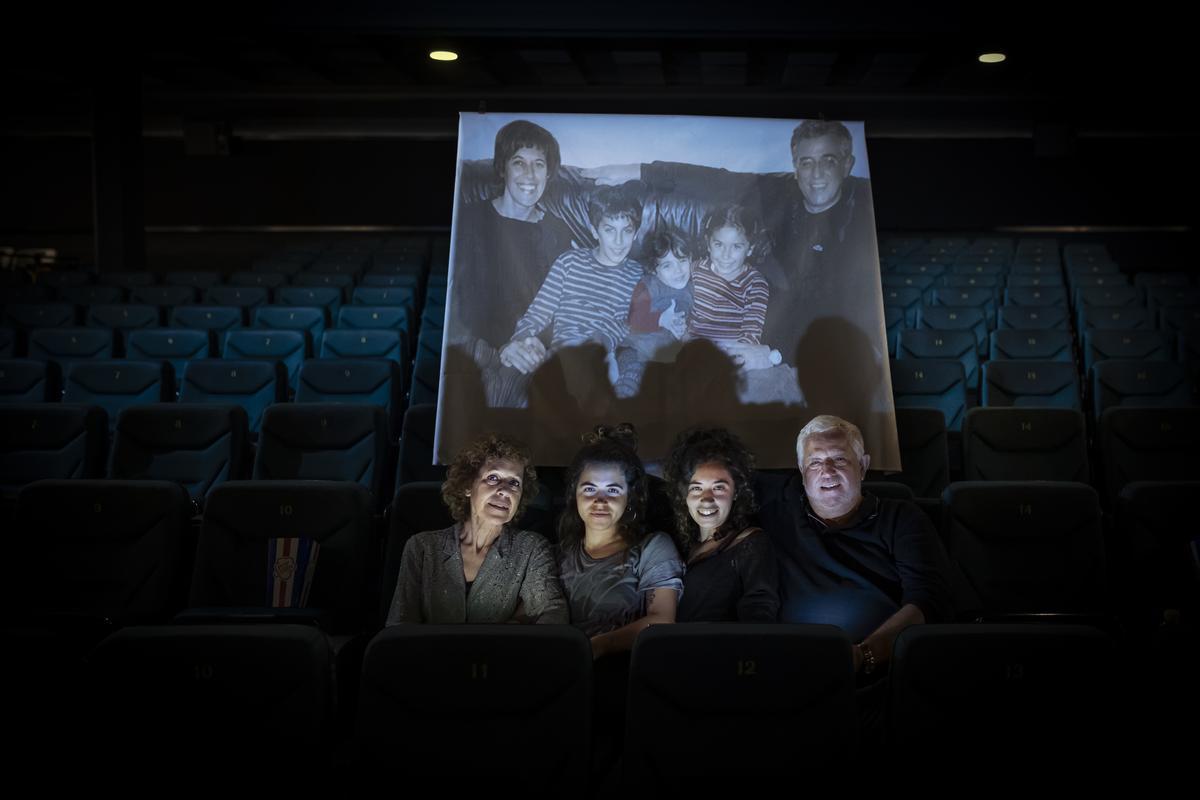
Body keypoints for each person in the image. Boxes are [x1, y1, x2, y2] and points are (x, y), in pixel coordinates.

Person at [758, 414, 952, 674]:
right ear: (802, 471)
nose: (827, 471)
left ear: (862, 466)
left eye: (839, 459)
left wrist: (864, 655)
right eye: (815, 462)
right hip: (789, 667)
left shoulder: (902, 518)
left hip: (885, 668)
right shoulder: (776, 518)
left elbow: (928, 601)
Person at [386, 433, 567, 624]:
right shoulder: (421, 547)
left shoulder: (532, 548)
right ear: (467, 486)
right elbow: (400, 624)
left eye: (514, 483)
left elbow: (554, 611)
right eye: (493, 478)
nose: (505, 491)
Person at [448, 120, 575, 381]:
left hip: (535, 352)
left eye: (539, 164)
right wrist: (500, 350)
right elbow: (459, 305)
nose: (530, 175)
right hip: (482, 351)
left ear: (548, 173)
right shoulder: (469, 221)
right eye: (519, 162)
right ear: (502, 169)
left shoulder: (559, 232)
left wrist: (538, 344)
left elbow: (564, 304)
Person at [498, 184, 646, 389]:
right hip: (560, 353)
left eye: (627, 231)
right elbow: (538, 313)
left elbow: (635, 328)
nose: (619, 241)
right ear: (595, 231)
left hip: (601, 355)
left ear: (636, 233)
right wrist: (520, 341)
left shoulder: (639, 276)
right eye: (609, 230)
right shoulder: (569, 262)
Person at [556, 423, 684, 655]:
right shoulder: (558, 554)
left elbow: (662, 619)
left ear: (630, 497)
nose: (600, 501)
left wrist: (597, 646)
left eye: (613, 490)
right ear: (574, 494)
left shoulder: (652, 548)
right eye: (589, 489)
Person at [663, 427, 779, 622]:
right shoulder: (680, 546)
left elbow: (760, 618)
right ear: (685, 495)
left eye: (718, 488)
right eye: (696, 488)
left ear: (736, 492)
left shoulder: (751, 544)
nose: (706, 499)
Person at [614, 228, 694, 397]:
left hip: (666, 355)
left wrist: (685, 332)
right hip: (635, 350)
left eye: (682, 260)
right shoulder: (648, 286)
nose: (678, 270)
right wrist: (661, 320)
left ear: (691, 259)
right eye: (667, 265)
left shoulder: (692, 288)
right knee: (632, 377)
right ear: (653, 269)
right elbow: (632, 318)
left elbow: (694, 319)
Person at [687, 205, 772, 350]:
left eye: (736, 247)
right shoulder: (695, 269)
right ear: (708, 244)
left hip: (729, 356)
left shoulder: (755, 284)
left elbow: (750, 337)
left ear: (750, 248)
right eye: (719, 244)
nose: (726, 255)